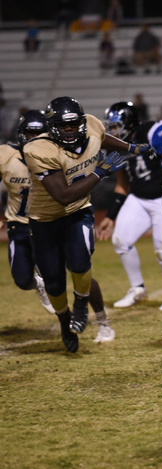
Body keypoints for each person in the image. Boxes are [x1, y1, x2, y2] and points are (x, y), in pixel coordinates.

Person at [23, 96, 147, 352]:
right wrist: (100, 172)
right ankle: (63, 319)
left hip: (78, 212)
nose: (70, 130)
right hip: (45, 219)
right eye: (63, 126)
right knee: (54, 281)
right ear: (52, 127)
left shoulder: (90, 124)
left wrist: (131, 148)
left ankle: (81, 303)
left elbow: (101, 136)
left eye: (74, 125)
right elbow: (63, 195)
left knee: (80, 262)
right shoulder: (38, 149)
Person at [97, 101, 162, 311]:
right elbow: (122, 183)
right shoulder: (116, 145)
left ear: (129, 123)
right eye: (110, 126)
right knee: (121, 240)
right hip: (138, 198)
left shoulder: (150, 132)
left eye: (115, 126)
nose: (112, 131)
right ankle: (137, 289)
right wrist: (110, 216)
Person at [1, 111, 55, 314]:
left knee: (53, 272)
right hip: (18, 226)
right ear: (21, 134)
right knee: (23, 281)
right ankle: (39, 285)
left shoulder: (55, 155)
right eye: (30, 134)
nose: (34, 138)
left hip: (45, 223)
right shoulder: (6, 155)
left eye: (39, 133)